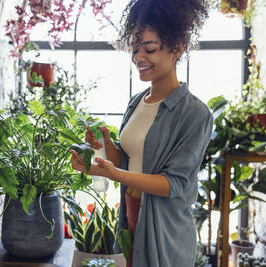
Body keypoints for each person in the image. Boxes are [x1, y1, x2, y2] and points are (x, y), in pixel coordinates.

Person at [70, 0, 212, 266]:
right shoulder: (137, 101)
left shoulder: (195, 114)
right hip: (131, 217)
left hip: (165, 232)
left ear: (177, 47)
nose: (138, 58)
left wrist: (115, 174)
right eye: (135, 49)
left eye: (149, 49)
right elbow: (130, 162)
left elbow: (175, 184)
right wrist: (106, 147)